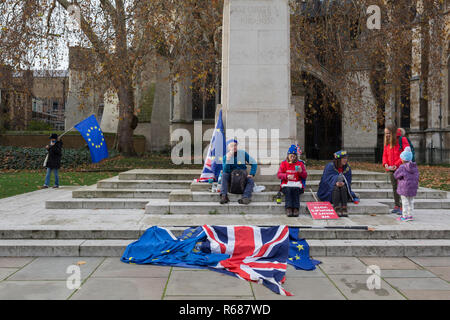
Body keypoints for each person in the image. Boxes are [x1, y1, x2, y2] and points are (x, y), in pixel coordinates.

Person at [317, 150, 359, 217]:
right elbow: (325, 181)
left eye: (346, 158)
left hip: (343, 191)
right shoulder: (330, 166)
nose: (346, 160)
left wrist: (343, 183)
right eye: (344, 158)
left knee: (343, 187)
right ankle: (336, 208)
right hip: (329, 191)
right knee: (336, 187)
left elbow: (348, 180)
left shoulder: (347, 168)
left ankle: (344, 208)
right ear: (339, 159)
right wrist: (335, 182)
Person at [382, 125, 410, 215]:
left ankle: (403, 206)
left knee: (402, 187)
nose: (387, 135)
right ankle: (396, 205)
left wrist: (396, 164)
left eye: (389, 133)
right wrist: (385, 164)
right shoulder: (387, 142)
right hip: (391, 169)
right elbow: (385, 154)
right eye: (386, 134)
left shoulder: (402, 140)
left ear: (393, 133)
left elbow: (405, 154)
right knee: (395, 187)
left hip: (401, 168)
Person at [219, 139, 257, 205]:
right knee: (224, 175)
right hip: (232, 177)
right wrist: (228, 160)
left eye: (235, 145)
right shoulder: (225, 157)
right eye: (232, 146)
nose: (234, 147)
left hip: (242, 175)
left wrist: (252, 173)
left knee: (250, 180)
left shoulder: (242, 153)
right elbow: (226, 170)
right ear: (228, 148)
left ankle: (246, 197)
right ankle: (224, 196)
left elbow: (254, 163)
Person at [277, 145, 307, 217]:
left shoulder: (300, 164)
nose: (292, 158)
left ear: (296, 156)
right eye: (291, 156)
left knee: (295, 189)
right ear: (288, 156)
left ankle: (296, 208)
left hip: (297, 184)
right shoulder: (283, 163)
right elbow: (279, 175)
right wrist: (286, 176)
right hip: (286, 184)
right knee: (289, 189)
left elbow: (305, 176)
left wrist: (301, 172)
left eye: (294, 156)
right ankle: (289, 208)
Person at [394, 147, 419, 222]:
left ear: (403, 159)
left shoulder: (402, 167)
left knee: (404, 202)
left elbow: (396, 175)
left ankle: (404, 216)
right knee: (411, 201)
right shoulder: (415, 167)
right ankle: (410, 215)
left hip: (404, 187)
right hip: (413, 187)